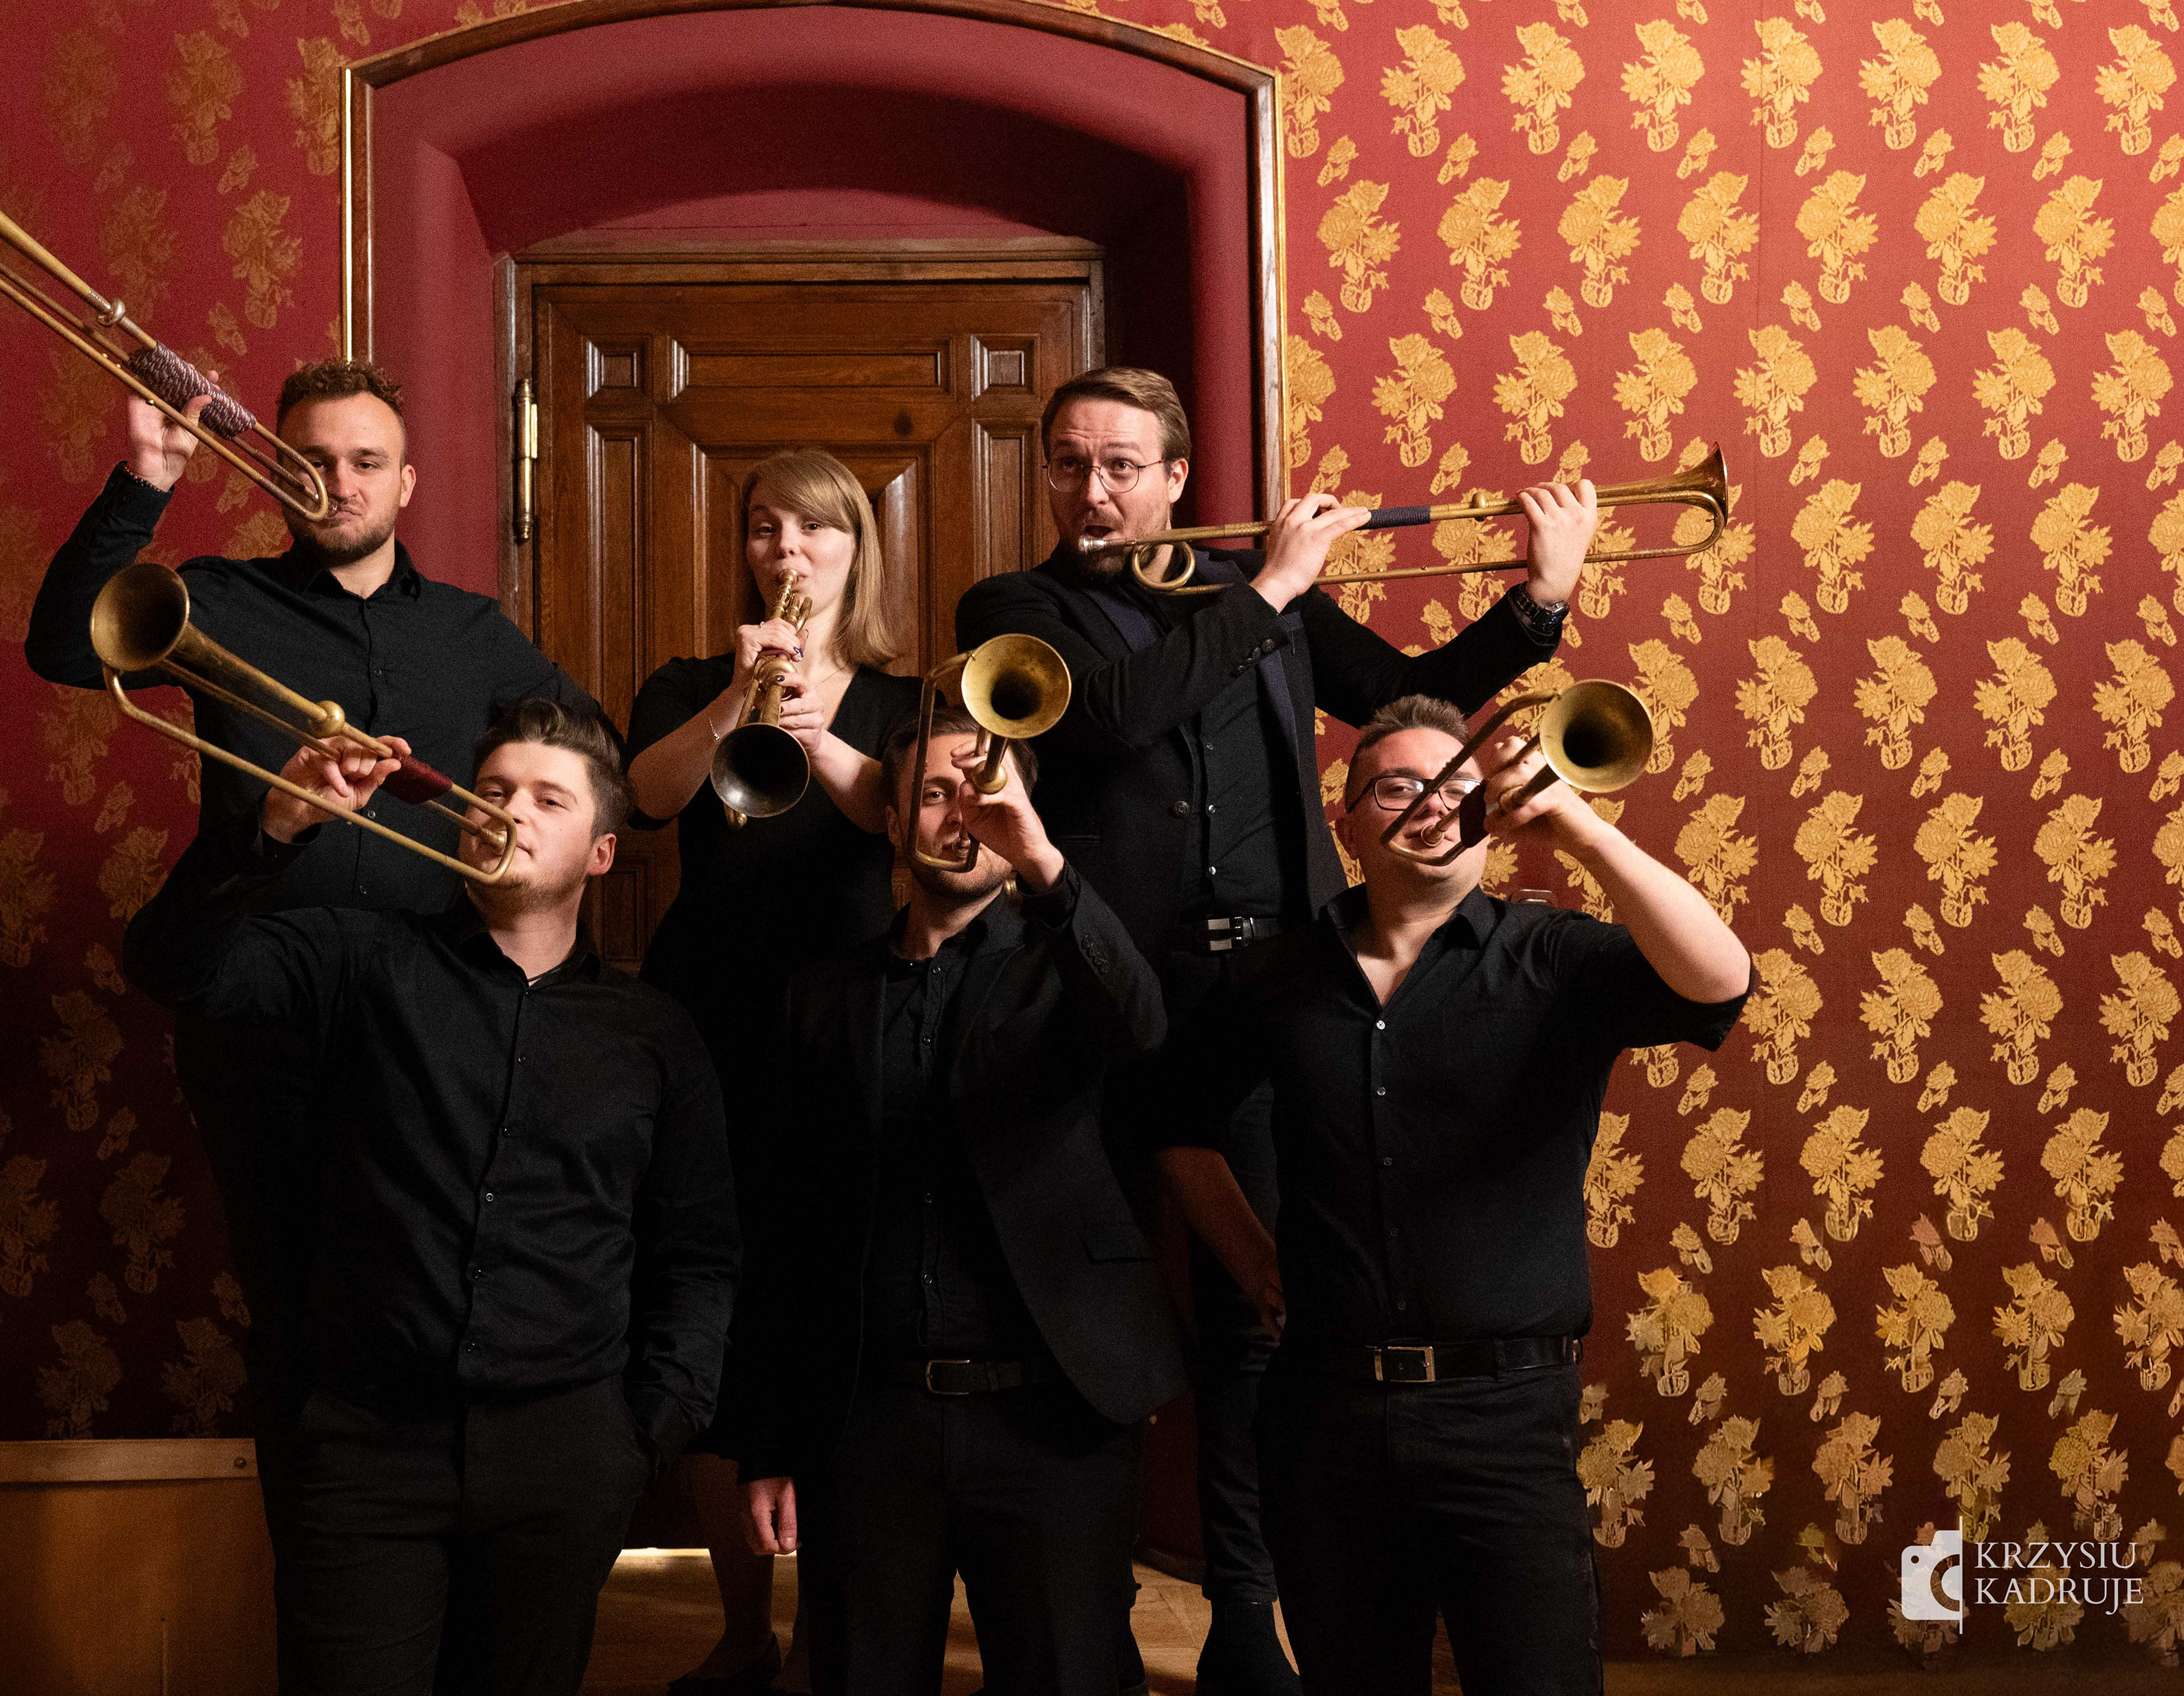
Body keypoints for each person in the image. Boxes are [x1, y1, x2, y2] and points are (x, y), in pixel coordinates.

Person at [953, 366, 1595, 1695]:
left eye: (1121, 465)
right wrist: (1271, 593)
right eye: (1069, 464)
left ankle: (1244, 1607)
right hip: (1099, 994)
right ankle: (1086, 1618)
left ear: (1177, 478)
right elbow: (1113, 718)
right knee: (1073, 1308)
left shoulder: (1253, 591)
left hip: (1265, 999)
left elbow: (1408, 698)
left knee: (1261, 1313)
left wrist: (1537, 603)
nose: (1093, 490)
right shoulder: (1016, 611)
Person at [123, 697, 736, 1696]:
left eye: (548, 799)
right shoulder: (360, 959)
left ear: (602, 854)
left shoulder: (656, 1035)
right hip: (365, 1449)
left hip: (565, 1457)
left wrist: (646, 1434)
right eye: (493, 790)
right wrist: (278, 824)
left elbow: (700, 1254)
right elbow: (171, 966)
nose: (509, 811)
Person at [25, 359, 601, 1412]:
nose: (340, 483)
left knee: (444, 1293)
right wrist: (147, 480)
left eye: (367, 462)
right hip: (262, 1010)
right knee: (296, 1319)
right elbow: (64, 647)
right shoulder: (221, 600)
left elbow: (593, 754)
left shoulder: (474, 632)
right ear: (277, 474)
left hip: (438, 1020)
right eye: (313, 462)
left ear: (406, 483)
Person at [1155, 695, 1753, 1696]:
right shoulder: (1274, 976)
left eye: (1458, 788)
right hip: (1325, 1416)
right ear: (1349, 822)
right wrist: (1254, 1262)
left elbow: (1721, 983)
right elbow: (1173, 1119)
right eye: (1399, 787)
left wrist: (1582, 829)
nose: (1433, 805)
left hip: (1506, 1422)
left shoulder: (1552, 957)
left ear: (1492, 817)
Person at [733, 711, 1179, 1696]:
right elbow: (780, 1228)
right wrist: (766, 1440)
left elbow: (1143, 1030)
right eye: (934, 794)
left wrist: (1043, 861)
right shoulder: (819, 996)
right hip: (868, 1422)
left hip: (1056, 1415)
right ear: (893, 823)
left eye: (986, 792)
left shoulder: (1072, 961)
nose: (962, 813)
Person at [623, 449, 921, 1695]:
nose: (787, 551)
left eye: (814, 529)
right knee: (719, 1313)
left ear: (857, 547)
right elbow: (644, 798)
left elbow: (915, 819)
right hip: (708, 1018)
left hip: (851, 1019)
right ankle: (742, 1630)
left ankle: (830, 1632)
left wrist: (819, 735)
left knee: (837, 1308)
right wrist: (735, 704)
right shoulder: (688, 682)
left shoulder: (904, 701)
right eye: (763, 529)